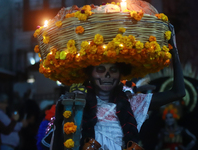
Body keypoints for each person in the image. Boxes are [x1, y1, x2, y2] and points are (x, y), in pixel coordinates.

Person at [33, 1, 186, 150]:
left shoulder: (134, 104)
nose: (107, 75)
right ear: (89, 74)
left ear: (121, 74)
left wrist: (174, 50)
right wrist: (60, 119)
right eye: (100, 69)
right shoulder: (75, 104)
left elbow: (178, 92)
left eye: (113, 70)